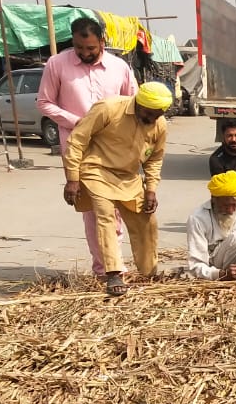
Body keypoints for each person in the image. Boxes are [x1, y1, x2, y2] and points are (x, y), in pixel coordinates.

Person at [36, 16, 137, 277]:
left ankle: (114, 261)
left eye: (91, 49)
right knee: (94, 209)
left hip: (114, 147)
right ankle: (105, 268)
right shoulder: (56, 64)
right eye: (80, 49)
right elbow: (44, 103)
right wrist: (79, 122)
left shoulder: (119, 67)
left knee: (116, 206)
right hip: (79, 148)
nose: (85, 54)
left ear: (102, 41)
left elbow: (133, 103)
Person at [62, 82, 171, 296]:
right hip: (97, 170)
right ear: (139, 104)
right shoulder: (109, 108)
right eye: (149, 114)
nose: (152, 120)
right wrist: (72, 178)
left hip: (129, 177)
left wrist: (151, 190)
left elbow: (155, 159)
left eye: (157, 115)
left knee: (147, 221)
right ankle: (113, 273)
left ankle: (149, 272)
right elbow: (77, 140)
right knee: (105, 216)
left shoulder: (159, 124)